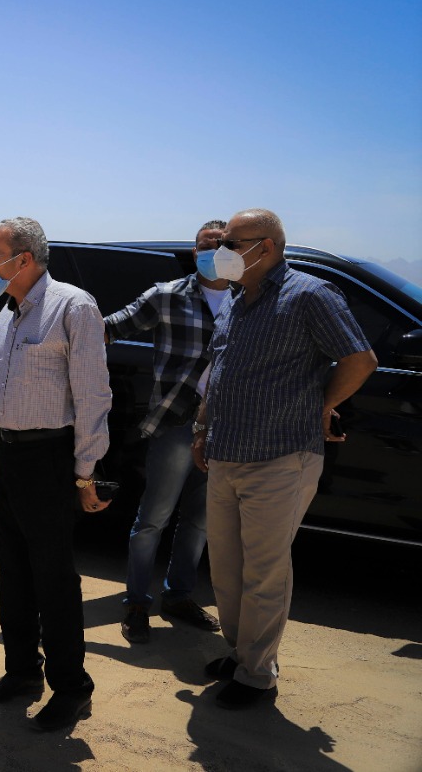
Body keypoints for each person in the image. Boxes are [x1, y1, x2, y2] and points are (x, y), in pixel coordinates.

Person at [192, 208, 376, 710]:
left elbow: (360, 359)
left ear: (266, 247)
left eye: (231, 243)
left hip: (280, 456)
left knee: (264, 573)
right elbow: (220, 371)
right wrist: (203, 428)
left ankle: (257, 675)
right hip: (226, 453)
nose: (221, 252)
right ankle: (241, 654)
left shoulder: (309, 294)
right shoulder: (235, 300)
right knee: (226, 569)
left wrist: (320, 405)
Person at [0, 216, 110, 732]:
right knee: (13, 575)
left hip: (50, 458)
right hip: (9, 457)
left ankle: (72, 688)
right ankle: (22, 673)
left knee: (53, 579)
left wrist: (85, 473)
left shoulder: (73, 307)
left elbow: (93, 395)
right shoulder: (8, 314)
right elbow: (4, 395)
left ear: (23, 258)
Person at [104, 220, 229, 644]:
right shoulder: (167, 295)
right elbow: (111, 327)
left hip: (223, 429)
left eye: (223, 244)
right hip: (176, 423)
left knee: (199, 521)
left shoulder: (247, 300)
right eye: (206, 245)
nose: (214, 251)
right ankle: (137, 603)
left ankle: (178, 597)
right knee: (153, 520)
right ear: (194, 252)